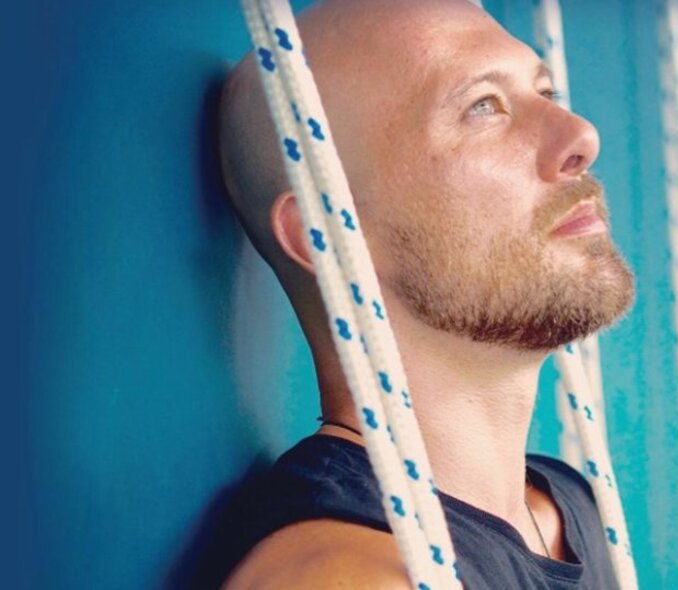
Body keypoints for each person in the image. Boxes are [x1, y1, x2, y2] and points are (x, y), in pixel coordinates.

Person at [218, 0, 634, 587]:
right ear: (329, 231)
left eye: (545, 91)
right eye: (483, 107)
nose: (581, 136)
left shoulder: (571, 506)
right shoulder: (346, 576)